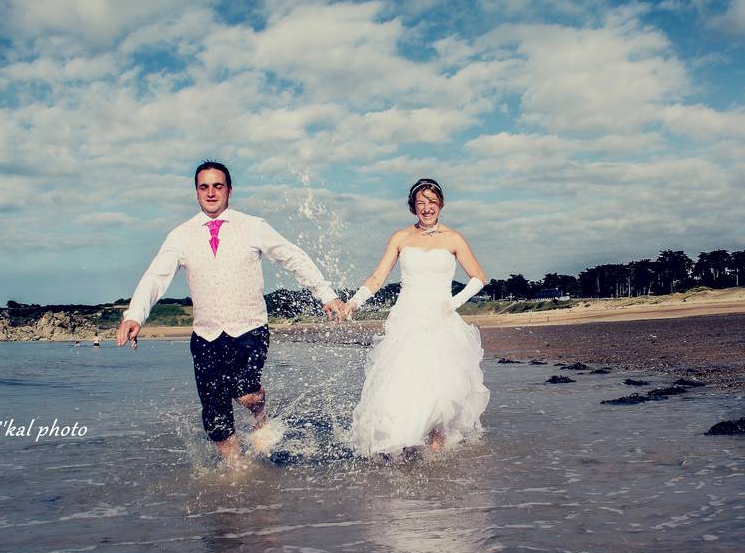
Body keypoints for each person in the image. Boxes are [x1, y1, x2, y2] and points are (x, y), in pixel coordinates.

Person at [116, 161, 347, 462]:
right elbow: (156, 277)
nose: (211, 193)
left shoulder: (253, 226)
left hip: (249, 329)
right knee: (214, 409)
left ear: (229, 190)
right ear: (196, 191)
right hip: (205, 335)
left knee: (245, 393)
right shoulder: (181, 235)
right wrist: (135, 315)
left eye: (217, 186)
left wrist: (326, 295)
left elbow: (292, 257)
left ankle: (259, 409)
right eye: (204, 187)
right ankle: (236, 472)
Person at [343, 178, 490, 456]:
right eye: (421, 202)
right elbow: (377, 277)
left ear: (441, 205)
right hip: (406, 319)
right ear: (413, 207)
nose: (427, 208)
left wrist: (452, 304)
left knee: (439, 383)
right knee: (404, 382)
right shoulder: (401, 237)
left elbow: (479, 278)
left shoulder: (453, 238)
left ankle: (435, 449)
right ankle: (403, 443)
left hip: (440, 320)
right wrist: (354, 302)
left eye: (432, 202)